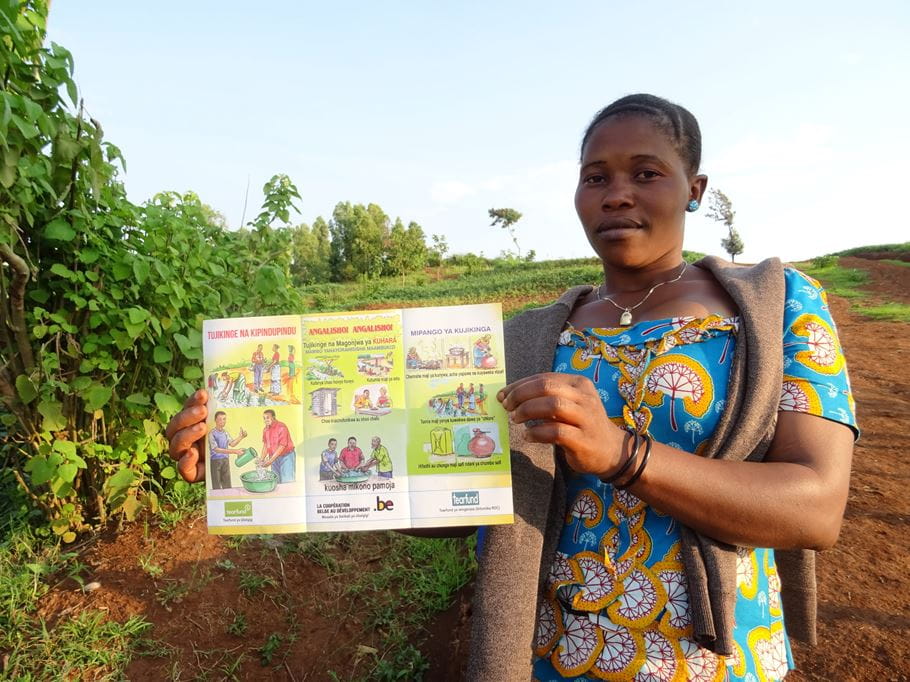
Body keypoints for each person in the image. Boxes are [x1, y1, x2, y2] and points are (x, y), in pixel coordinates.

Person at [165, 94, 856, 681]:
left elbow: (815, 509)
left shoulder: (773, 304)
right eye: (595, 177)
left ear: (694, 189)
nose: (617, 192)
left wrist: (623, 455)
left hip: (718, 659)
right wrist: (251, 463)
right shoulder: (528, 337)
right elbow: (459, 500)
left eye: (646, 172)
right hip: (553, 653)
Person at [207, 411, 247, 489]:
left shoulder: (225, 433)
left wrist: (241, 437)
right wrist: (235, 451)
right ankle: (218, 500)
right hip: (215, 462)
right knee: (216, 485)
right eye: (220, 419)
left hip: (225, 460)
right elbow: (216, 449)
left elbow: (232, 444)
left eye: (224, 419)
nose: (222, 421)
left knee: (227, 485)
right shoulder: (212, 433)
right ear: (215, 420)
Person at [259, 409, 296, 483]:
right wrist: (262, 459)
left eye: (268, 417)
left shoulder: (282, 427)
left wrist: (270, 461)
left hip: (286, 457)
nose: (266, 420)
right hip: (273, 458)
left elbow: (282, 446)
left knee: (287, 481)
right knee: (276, 481)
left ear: (274, 417)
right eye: (264, 418)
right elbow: (266, 445)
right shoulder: (265, 430)